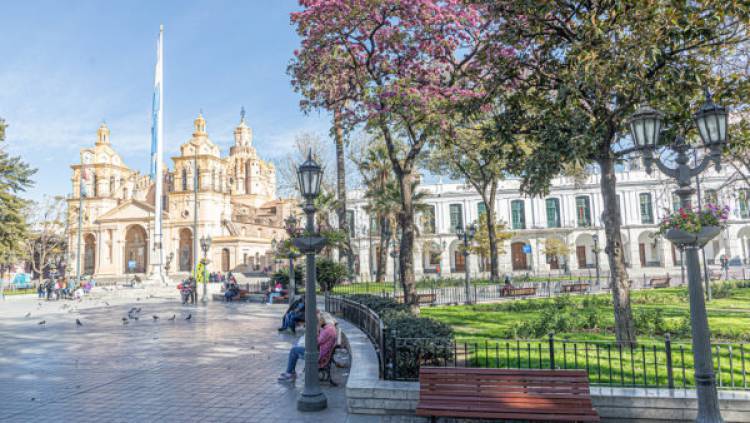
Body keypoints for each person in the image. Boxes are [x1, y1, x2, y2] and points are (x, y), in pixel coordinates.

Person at [278, 311, 337, 382]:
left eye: (320, 319)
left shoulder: (328, 330)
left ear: (323, 320)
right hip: (321, 353)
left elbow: (315, 342)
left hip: (319, 357)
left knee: (294, 350)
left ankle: (290, 373)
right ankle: (290, 372)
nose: (318, 321)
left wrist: (317, 328)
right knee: (296, 349)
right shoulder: (329, 328)